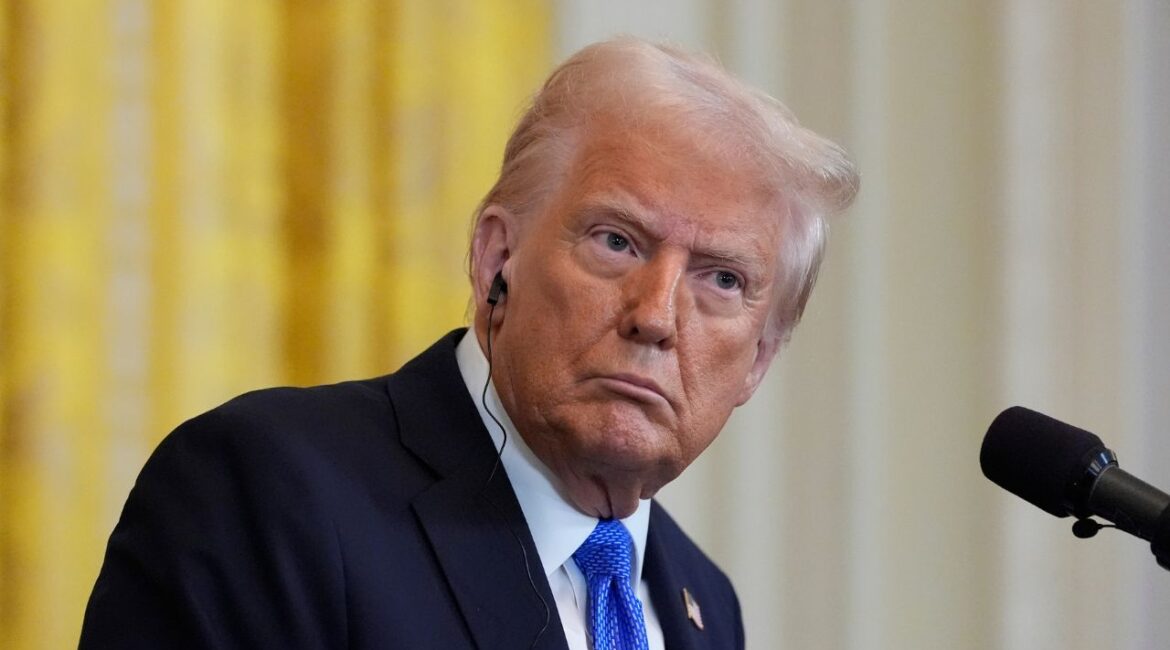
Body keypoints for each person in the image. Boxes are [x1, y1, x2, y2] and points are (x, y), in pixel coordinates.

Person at [80, 37, 857, 649]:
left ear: (758, 358)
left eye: (722, 281)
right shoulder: (268, 490)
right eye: (617, 241)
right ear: (497, 258)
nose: (655, 315)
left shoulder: (702, 601)